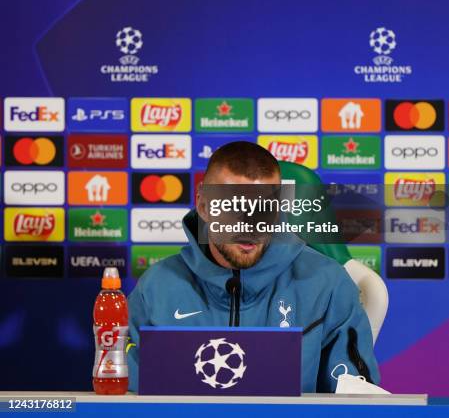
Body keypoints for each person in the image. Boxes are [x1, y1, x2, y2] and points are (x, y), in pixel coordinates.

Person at [127, 141, 379, 392]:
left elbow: (359, 401)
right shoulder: (155, 289)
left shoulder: (328, 284)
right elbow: (125, 400)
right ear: (203, 205)